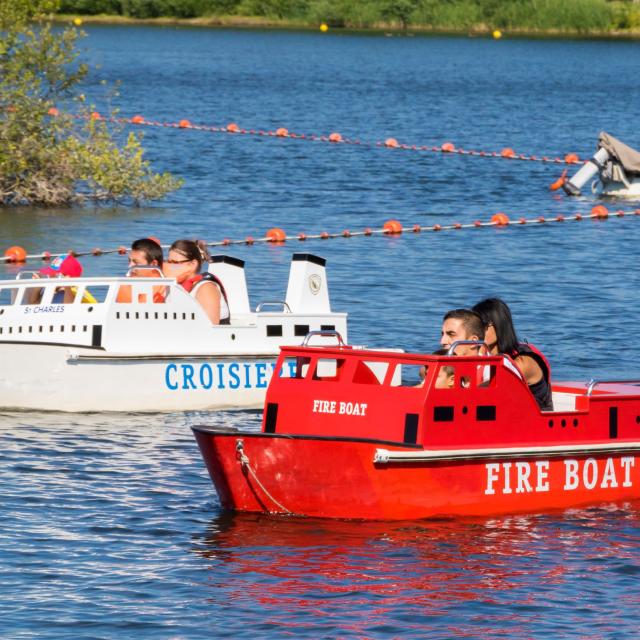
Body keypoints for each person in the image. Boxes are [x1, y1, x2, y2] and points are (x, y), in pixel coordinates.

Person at [472, 297, 553, 411]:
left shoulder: (524, 361)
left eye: (481, 326)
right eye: (474, 327)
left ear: (498, 325)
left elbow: (484, 390)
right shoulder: (486, 355)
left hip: (534, 423)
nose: (476, 332)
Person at [164, 239, 230, 325]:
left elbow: (210, 328)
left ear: (193, 264)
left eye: (175, 263)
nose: (170, 267)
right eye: (168, 262)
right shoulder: (172, 286)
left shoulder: (206, 289)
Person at [117, 238, 165, 303]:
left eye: (136, 262)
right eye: (129, 261)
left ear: (153, 264)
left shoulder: (168, 292)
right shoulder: (124, 286)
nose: (130, 266)